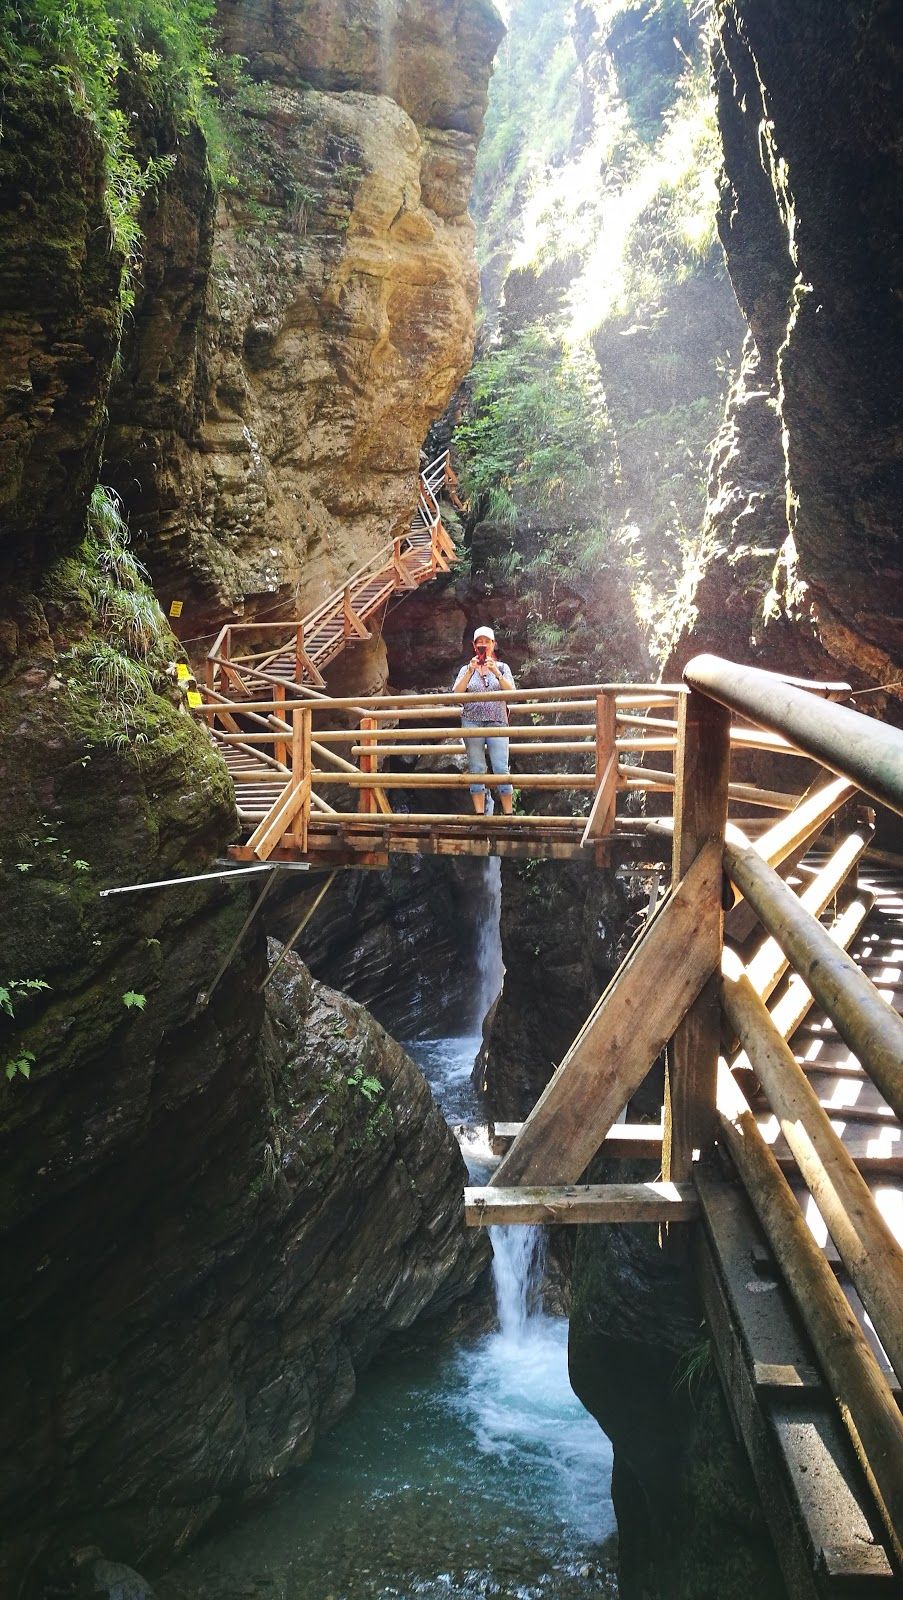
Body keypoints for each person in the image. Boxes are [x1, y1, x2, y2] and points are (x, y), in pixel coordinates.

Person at [452, 626, 515, 815]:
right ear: (474, 646)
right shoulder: (466, 668)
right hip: (472, 721)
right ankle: (480, 814)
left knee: (501, 768)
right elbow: (456, 693)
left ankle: (509, 815)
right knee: (477, 768)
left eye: (487, 641)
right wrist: (471, 671)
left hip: (497, 721)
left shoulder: (503, 667)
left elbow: (511, 692)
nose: (483, 645)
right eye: (479, 642)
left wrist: (495, 672)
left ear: (493, 645)